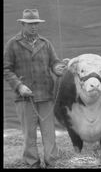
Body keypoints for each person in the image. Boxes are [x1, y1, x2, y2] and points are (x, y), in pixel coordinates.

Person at [4, 9, 67, 168]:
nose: (34, 27)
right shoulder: (13, 44)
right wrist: (19, 86)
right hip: (25, 98)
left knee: (49, 134)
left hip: (45, 95)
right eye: (30, 24)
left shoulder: (45, 43)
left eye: (36, 24)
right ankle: (32, 163)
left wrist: (58, 68)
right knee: (29, 135)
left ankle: (52, 162)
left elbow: (54, 62)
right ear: (22, 24)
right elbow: (6, 69)